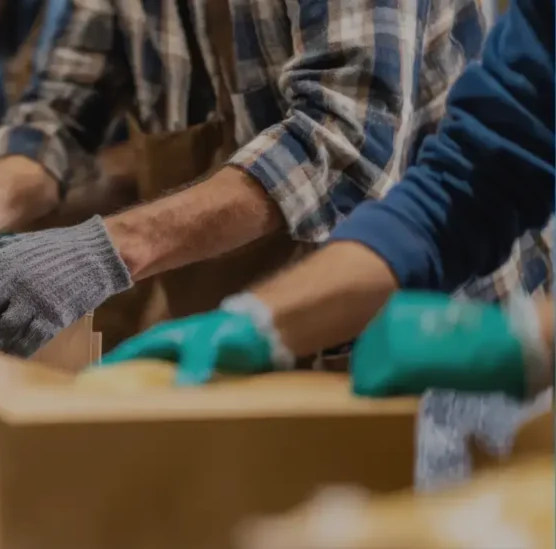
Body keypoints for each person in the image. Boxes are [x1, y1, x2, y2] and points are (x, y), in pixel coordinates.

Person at [0, 0, 538, 358]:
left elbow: (339, 145)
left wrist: (108, 249)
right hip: (243, 343)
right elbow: (54, 119)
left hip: (424, 343)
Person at [101, 0, 553, 396]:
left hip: (489, 373)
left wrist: (530, 339)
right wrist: (262, 321)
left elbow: (345, 140)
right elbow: (467, 184)